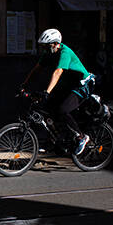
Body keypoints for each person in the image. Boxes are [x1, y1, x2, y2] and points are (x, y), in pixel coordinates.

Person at [21, 28, 95, 156]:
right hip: (68, 85)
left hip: (81, 86)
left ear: (55, 44)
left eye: (47, 46)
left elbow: (58, 72)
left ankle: (81, 136)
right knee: (49, 108)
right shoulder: (49, 54)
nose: (45, 49)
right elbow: (37, 70)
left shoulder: (64, 52)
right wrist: (24, 85)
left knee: (63, 110)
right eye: (43, 46)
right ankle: (55, 140)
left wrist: (47, 92)